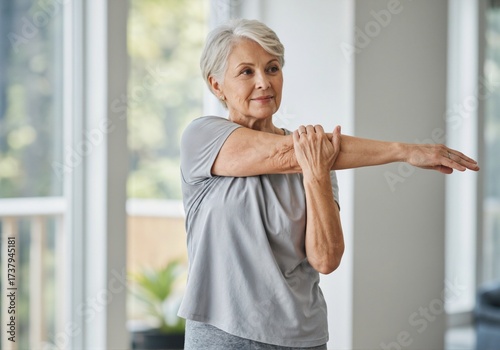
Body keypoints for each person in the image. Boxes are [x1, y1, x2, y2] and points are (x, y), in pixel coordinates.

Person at [178, 18, 479, 350]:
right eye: (246, 72)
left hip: (302, 337)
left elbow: (326, 259)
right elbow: (281, 154)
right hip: (223, 335)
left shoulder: (319, 160)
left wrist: (317, 174)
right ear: (217, 85)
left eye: (273, 68)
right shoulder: (203, 137)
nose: (264, 82)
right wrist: (405, 151)